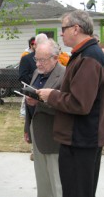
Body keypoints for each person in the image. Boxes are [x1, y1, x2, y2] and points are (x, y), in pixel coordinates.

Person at [36, 10, 104, 197]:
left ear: (76, 28)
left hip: (82, 139)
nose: (61, 33)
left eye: (63, 28)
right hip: (82, 137)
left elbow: (80, 103)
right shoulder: (85, 54)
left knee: (78, 191)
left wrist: (52, 95)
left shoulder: (89, 57)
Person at [25, 39, 65, 197]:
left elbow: (68, 107)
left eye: (42, 60)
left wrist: (40, 102)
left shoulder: (65, 75)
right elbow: (31, 105)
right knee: (42, 179)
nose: (38, 64)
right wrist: (27, 128)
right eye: (36, 59)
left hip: (54, 137)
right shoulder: (37, 73)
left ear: (55, 58)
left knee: (57, 181)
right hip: (37, 132)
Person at [19, 33, 48, 160]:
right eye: (40, 44)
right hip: (32, 94)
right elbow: (22, 75)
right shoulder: (27, 59)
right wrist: (36, 82)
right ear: (34, 45)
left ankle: (45, 148)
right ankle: (34, 150)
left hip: (47, 96)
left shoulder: (50, 58)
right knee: (32, 121)